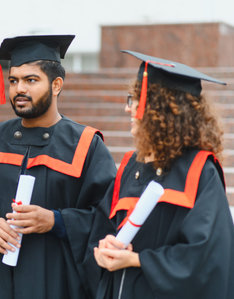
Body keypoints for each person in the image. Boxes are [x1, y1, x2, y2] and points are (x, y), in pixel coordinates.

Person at [0, 35, 117, 299]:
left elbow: (105, 218)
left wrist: (55, 220)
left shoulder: (86, 145)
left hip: (54, 280)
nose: (19, 89)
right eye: (13, 81)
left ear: (56, 85)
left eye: (31, 80)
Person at [93, 50, 234, 299]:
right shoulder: (130, 166)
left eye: (136, 99)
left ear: (162, 110)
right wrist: (103, 247)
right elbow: (101, 227)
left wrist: (137, 260)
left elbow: (208, 256)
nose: (129, 108)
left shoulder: (199, 171)